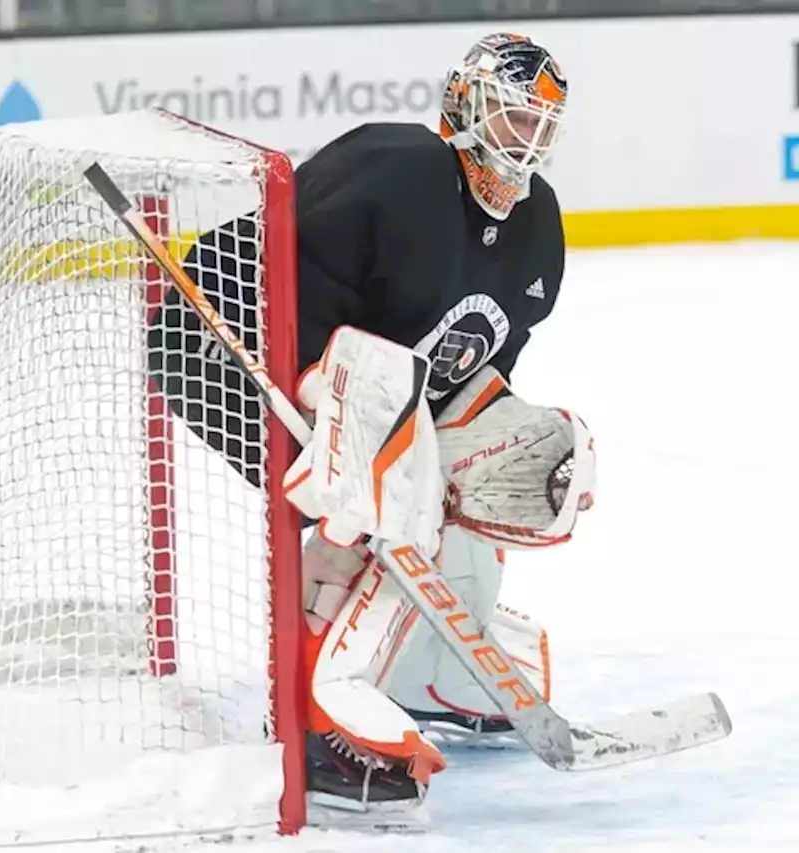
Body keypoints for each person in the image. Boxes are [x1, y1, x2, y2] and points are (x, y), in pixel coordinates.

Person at [151, 32, 595, 828]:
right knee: (383, 486)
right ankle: (318, 712)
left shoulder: (539, 226)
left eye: (537, 126)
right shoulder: (396, 171)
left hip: (355, 376)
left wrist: (478, 446)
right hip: (223, 342)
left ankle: (439, 666)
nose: (521, 142)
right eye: (507, 118)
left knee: (520, 460)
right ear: (463, 106)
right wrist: (359, 447)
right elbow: (277, 289)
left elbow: (479, 374)